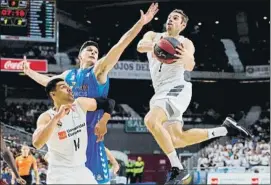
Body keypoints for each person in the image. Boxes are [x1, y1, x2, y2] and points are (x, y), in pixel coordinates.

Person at [23, 3, 158, 184]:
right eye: (89, 50)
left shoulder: (98, 71)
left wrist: (140, 25)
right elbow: (49, 83)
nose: (94, 52)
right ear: (80, 57)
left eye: (96, 51)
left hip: (92, 140)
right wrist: (30, 72)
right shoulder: (68, 76)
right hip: (69, 136)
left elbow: (120, 46)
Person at [137, 9, 252, 184]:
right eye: (169, 17)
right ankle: (226, 129)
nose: (170, 20)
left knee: (150, 120)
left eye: (175, 18)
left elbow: (190, 64)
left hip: (177, 88)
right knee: (176, 140)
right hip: (160, 92)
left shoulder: (185, 42)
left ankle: (177, 168)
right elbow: (140, 46)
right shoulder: (153, 35)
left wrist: (184, 56)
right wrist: (159, 46)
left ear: (182, 25)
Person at [32, 78, 115, 184]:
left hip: (81, 170)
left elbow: (109, 102)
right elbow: (37, 143)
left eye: (68, 86)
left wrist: (103, 121)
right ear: (53, 94)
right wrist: (56, 118)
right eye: (63, 87)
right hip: (60, 173)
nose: (69, 89)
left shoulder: (80, 104)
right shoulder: (47, 117)